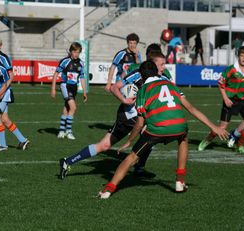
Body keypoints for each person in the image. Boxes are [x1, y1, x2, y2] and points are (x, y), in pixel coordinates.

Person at [97, 61, 228, 199]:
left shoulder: (142, 90)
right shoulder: (171, 85)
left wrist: (129, 141)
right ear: (157, 72)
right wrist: (214, 127)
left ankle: (108, 190)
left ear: (141, 76)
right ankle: (180, 181)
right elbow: (191, 108)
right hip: (178, 127)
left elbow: (140, 123)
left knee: (132, 157)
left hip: (156, 131)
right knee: (183, 138)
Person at [58, 48, 169, 180]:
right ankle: (139, 168)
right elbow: (115, 87)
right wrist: (124, 100)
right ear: (153, 64)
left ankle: (67, 161)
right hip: (127, 115)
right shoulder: (137, 75)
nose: (164, 67)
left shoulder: (163, 78)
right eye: (162, 64)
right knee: (148, 135)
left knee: (104, 145)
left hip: (140, 116)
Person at [198, 46, 244, 154]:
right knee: (222, 127)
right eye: (242, 55)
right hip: (230, 100)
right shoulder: (231, 69)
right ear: (238, 56)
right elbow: (221, 84)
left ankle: (240, 145)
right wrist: (226, 98)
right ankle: (206, 140)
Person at [0, 35, 30, 151]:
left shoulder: (3, 58)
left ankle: (6, 143)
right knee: (3, 118)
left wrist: (2, 91)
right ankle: (20, 140)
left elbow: (11, 76)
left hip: (3, 93)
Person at [51, 42, 87, 140]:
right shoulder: (65, 61)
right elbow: (55, 74)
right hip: (65, 86)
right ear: (71, 51)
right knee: (73, 107)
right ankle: (68, 131)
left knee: (67, 108)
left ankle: (61, 131)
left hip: (74, 87)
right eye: (74, 52)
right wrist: (53, 89)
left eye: (78, 52)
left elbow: (82, 78)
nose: (76, 54)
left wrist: (84, 92)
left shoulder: (81, 63)